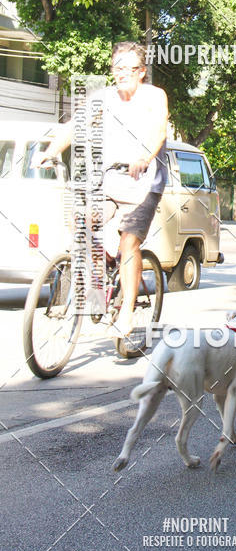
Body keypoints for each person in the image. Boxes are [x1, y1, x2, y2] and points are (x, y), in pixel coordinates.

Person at [37, 42, 169, 338]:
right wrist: (51, 151)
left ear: (142, 72)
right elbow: (74, 126)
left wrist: (143, 157)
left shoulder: (154, 95)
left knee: (128, 243)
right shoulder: (104, 97)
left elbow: (158, 130)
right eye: (117, 68)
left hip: (144, 181)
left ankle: (127, 313)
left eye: (129, 69)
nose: (121, 74)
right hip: (109, 179)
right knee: (81, 223)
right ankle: (101, 273)